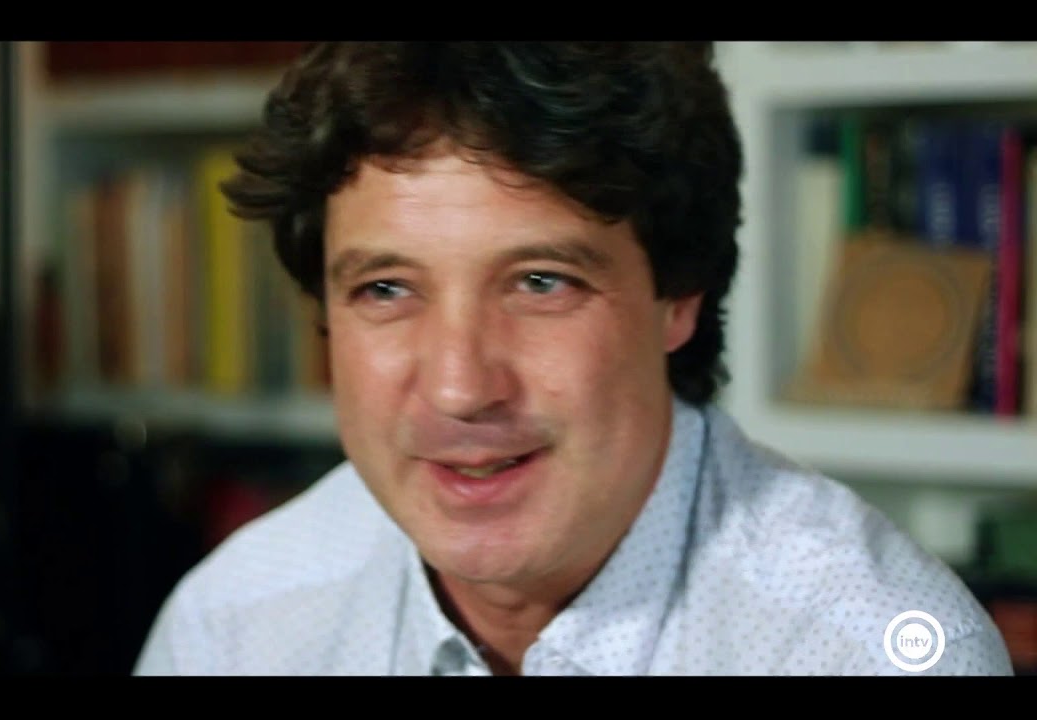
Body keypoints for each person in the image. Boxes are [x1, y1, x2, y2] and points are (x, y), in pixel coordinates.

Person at [133, 42, 1013, 676]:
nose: (460, 387)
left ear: (678, 294)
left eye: (540, 282)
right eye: (387, 289)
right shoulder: (233, 627)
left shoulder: (872, 649)